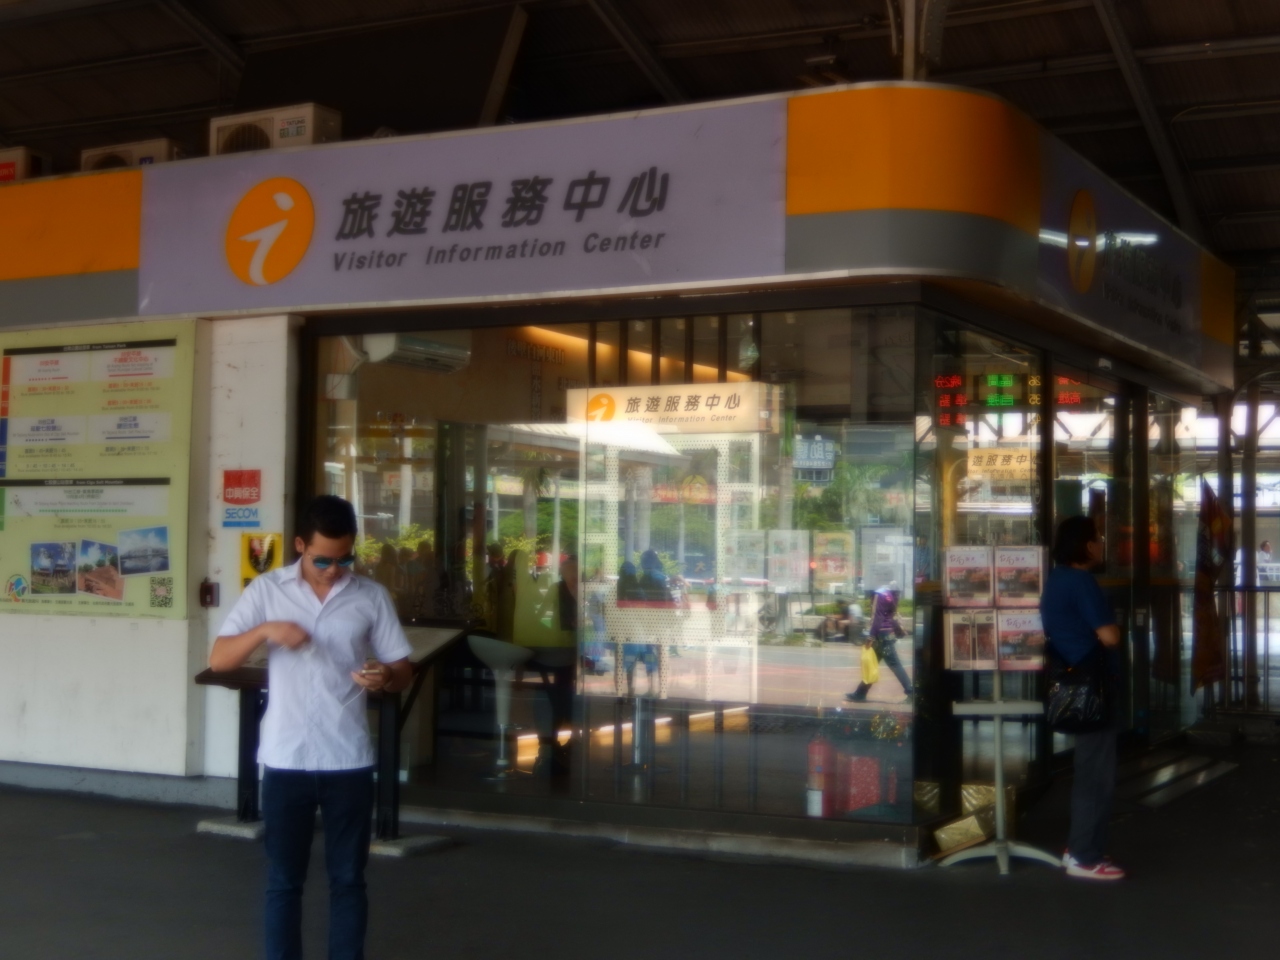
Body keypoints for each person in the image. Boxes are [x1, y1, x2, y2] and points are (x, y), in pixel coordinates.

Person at [209, 495, 413, 959]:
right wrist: (266, 631)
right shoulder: (267, 590)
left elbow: (403, 669)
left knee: (349, 880)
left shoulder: (370, 596)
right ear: (300, 545)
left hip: (348, 757)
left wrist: (385, 675)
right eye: (322, 559)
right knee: (284, 881)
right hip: (287, 757)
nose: (333, 570)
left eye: (345, 559)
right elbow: (219, 660)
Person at [1041, 515, 1125, 881]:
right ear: (1087, 545)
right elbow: (1110, 637)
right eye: (1099, 538)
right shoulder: (1082, 582)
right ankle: (1083, 855)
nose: (1102, 544)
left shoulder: (1056, 579)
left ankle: (1081, 847)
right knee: (1096, 774)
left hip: (1073, 683)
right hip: (1094, 689)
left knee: (1089, 769)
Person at [845, 583, 913, 702]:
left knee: (895, 665)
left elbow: (878, 617)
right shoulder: (890, 594)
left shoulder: (880, 594)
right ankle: (860, 693)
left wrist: (871, 636)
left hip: (880, 636)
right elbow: (891, 616)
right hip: (887, 635)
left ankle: (911, 692)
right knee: (873, 664)